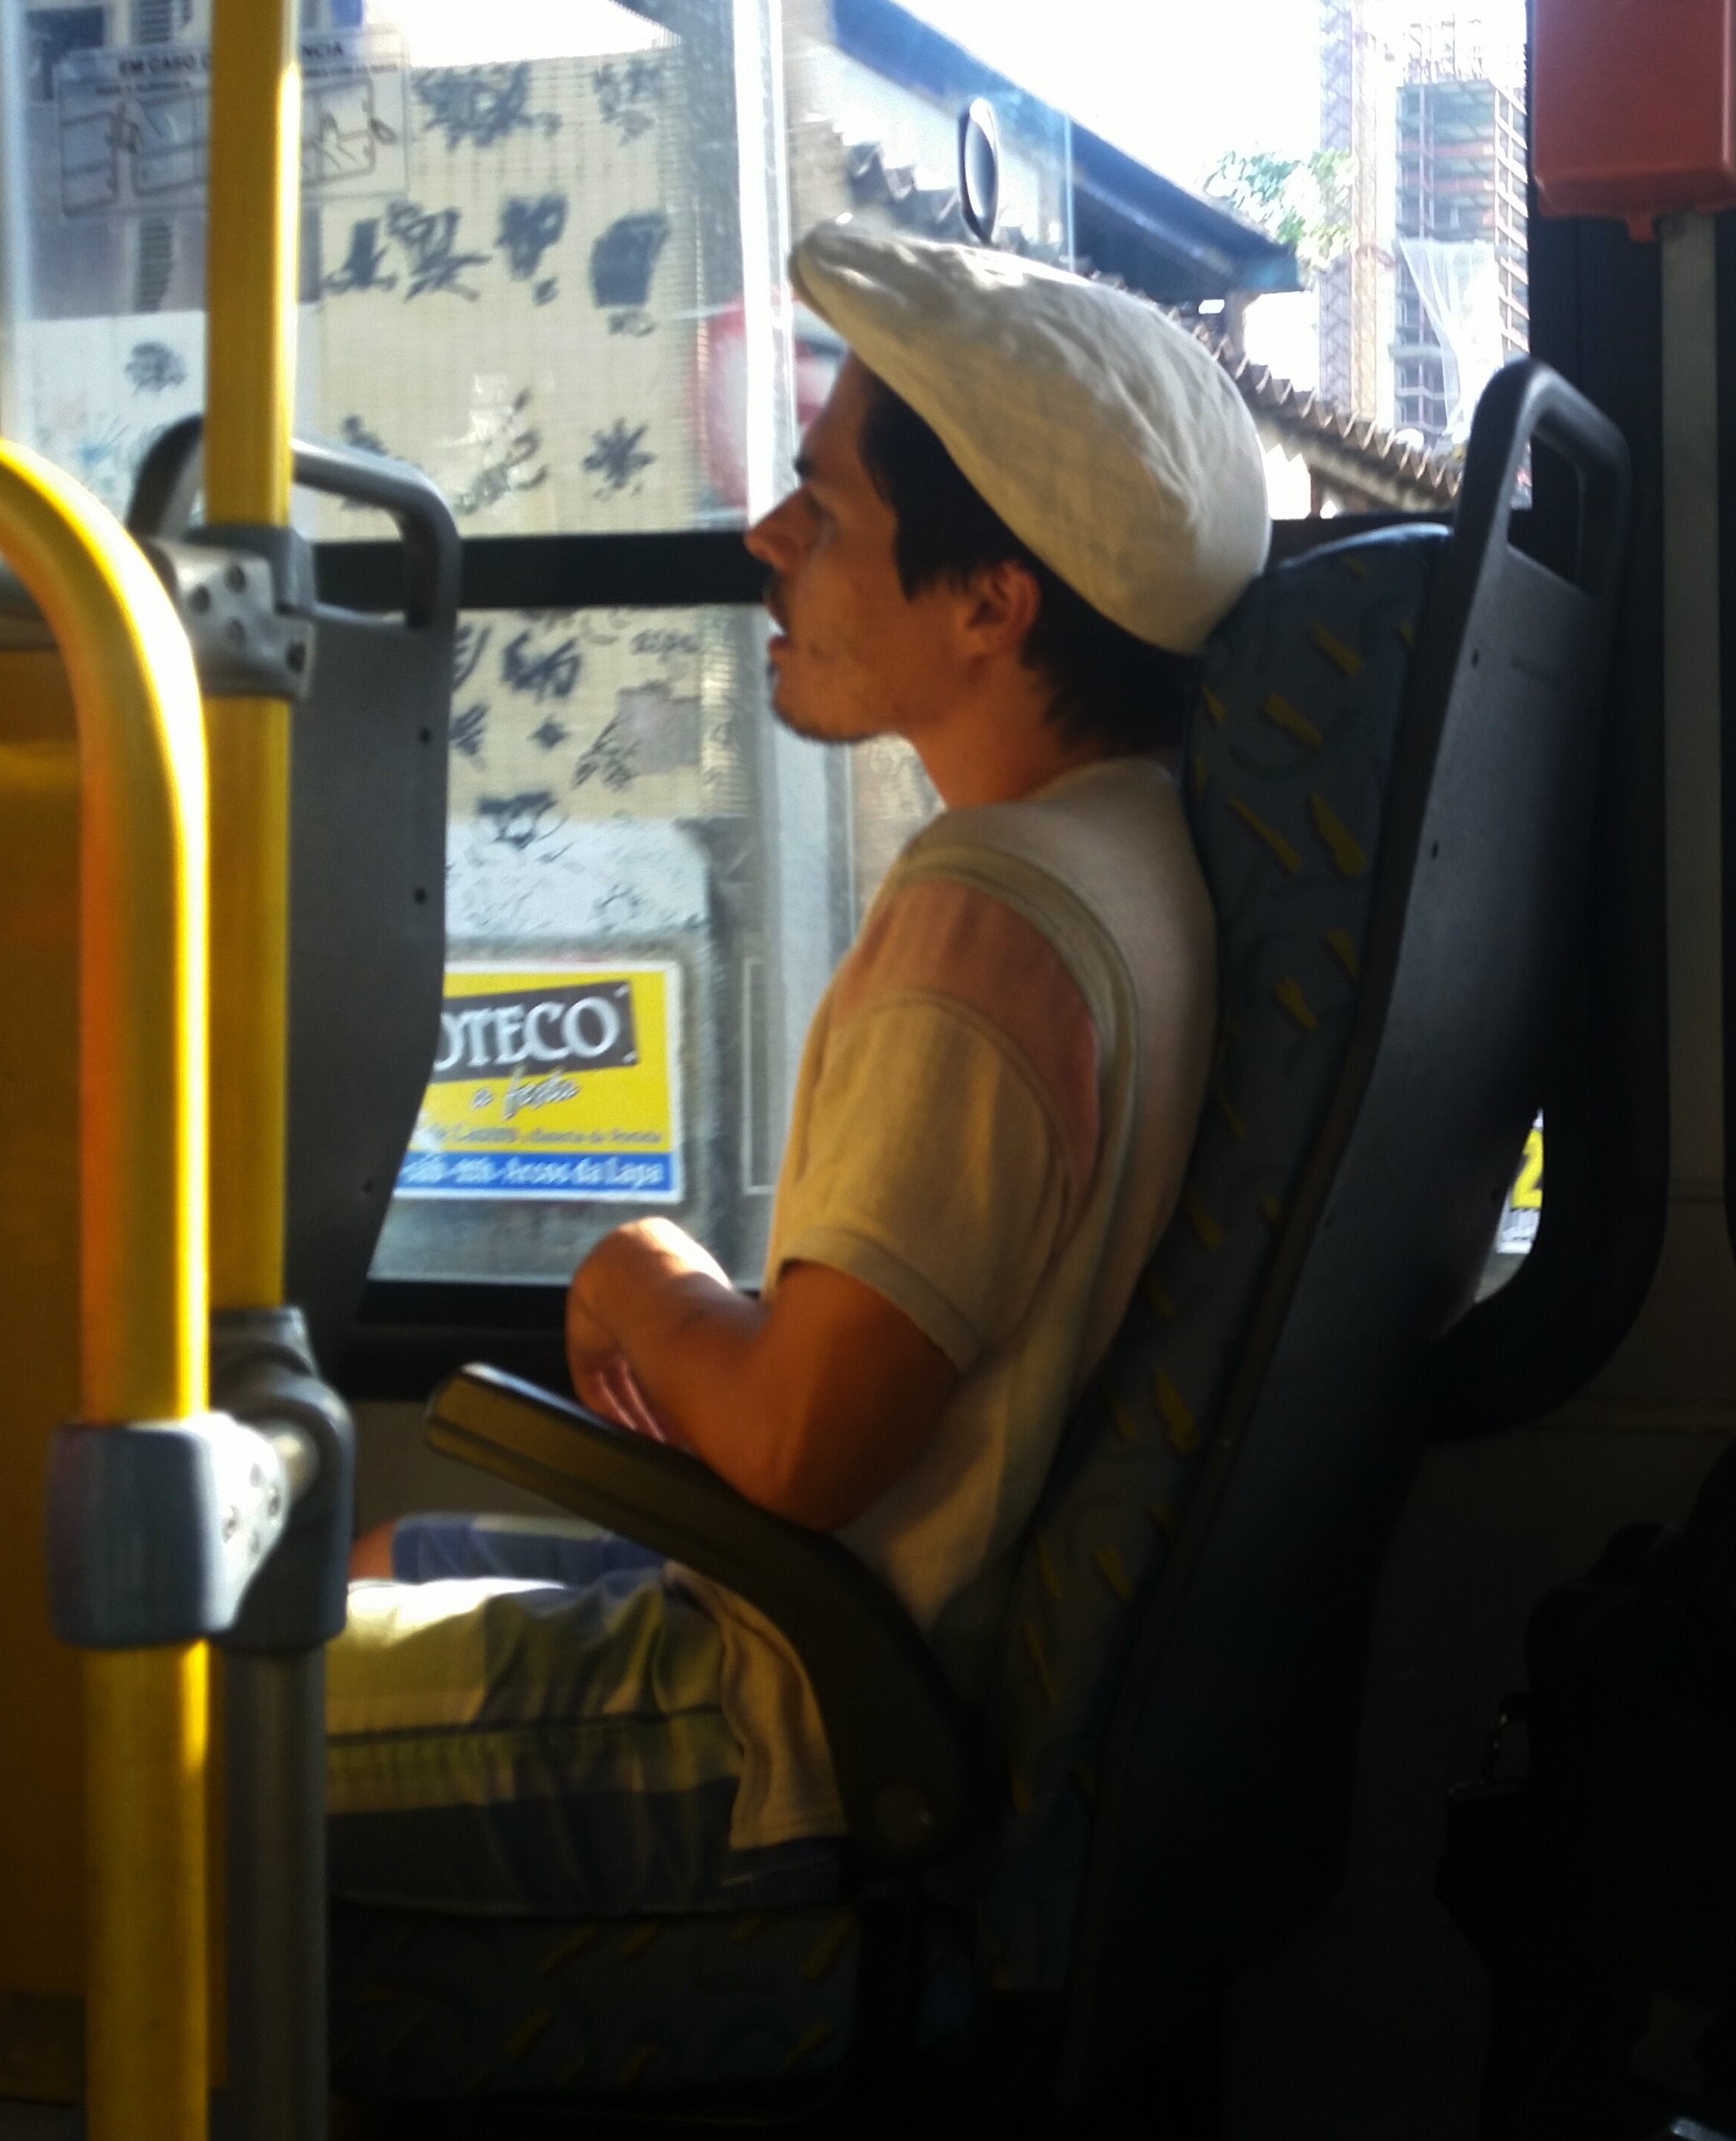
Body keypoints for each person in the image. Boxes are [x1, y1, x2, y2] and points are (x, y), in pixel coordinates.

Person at [322, 222, 1262, 1914]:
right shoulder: (1138, 854)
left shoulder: (992, 915)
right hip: (814, 1638)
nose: (766, 536)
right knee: (382, 1561)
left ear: (991, 601)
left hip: (780, 1724)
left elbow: (803, 1445)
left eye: (824, 508)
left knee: (128, 1714)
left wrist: (636, 1268)